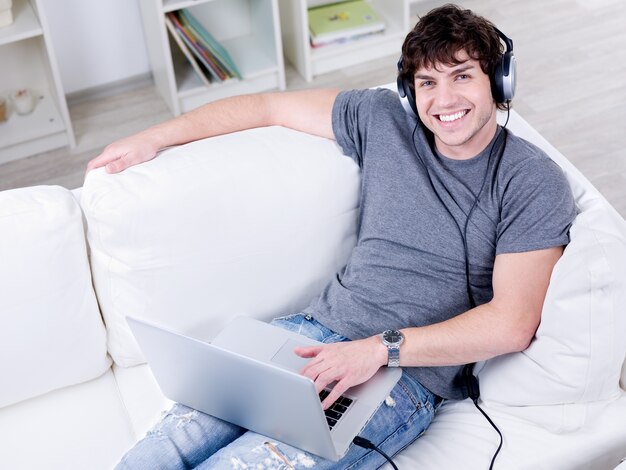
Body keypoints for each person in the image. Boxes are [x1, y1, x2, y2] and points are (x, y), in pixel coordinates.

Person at [87, 4, 576, 469]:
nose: (444, 100)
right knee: (170, 444)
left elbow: (511, 323)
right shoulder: (382, 119)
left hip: (402, 377)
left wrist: (378, 349)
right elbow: (266, 105)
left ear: (499, 80)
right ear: (410, 90)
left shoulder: (531, 181)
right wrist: (153, 137)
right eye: (428, 81)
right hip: (310, 333)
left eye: (463, 75)